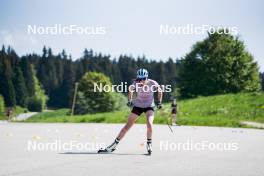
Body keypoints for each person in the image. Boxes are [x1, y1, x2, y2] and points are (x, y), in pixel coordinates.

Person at [98, 68, 163, 155]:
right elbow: (130, 90)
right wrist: (129, 100)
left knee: (149, 124)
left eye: (144, 79)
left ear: (147, 77)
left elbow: (160, 90)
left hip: (149, 106)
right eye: (140, 79)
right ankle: (113, 146)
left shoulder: (152, 83)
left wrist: (159, 102)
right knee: (127, 126)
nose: (142, 81)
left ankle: (149, 144)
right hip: (138, 106)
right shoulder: (136, 83)